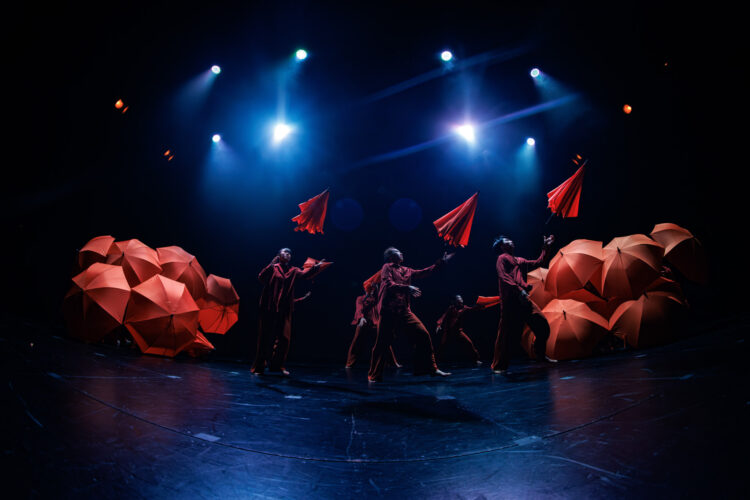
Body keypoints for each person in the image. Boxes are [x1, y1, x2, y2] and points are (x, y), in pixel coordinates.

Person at [368, 247, 453, 382]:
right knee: (382, 343)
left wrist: (440, 263)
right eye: (397, 251)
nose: (401, 252)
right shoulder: (387, 267)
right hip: (389, 310)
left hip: (404, 310)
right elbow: (388, 284)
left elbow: (424, 272)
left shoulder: (407, 270)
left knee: (423, 334)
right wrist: (407, 288)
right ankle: (374, 375)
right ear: (390, 256)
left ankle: (431, 368)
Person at [251, 248, 325, 376]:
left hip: (284, 308)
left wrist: (316, 267)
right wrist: (270, 264)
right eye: (285, 252)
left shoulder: (293, 270)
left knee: (284, 339)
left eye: (290, 253)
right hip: (269, 306)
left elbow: (305, 274)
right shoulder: (273, 268)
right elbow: (261, 278)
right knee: (265, 338)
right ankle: (259, 367)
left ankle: (277, 366)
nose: (288, 254)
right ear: (279, 255)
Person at [492, 234, 556, 374]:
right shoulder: (501, 258)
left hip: (523, 298)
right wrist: (519, 290)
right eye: (507, 240)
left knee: (542, 324)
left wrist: (545, 248)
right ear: (502, 246)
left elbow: (538, 263)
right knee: (506, 334)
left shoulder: (519, 260)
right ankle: (499, 366)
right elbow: (503, 276)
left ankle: (540, 355)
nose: (511, 240)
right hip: (511, 300)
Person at [345, 283, 401, 368]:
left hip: (375, 323)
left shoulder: (379, 299)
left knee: (384, 342)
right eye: (370, 289)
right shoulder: (360, 298)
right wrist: (361, 318)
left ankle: (392, 362)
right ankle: (349, 363)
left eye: (374, 289)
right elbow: (359, 309)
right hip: (364, 323)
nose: (372, 291)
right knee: (356, 343)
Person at [436, 295, 482, 366]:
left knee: (469, 343)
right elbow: (443, 316)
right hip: (448, 332)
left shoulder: (464, 308)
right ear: (455, 301)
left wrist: (480, 305)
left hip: (458, 332)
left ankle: (476, 359)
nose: (461, 299)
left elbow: (472, 309)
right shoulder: (451, 308)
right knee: (441, 347)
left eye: (461, 298)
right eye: (458, 298)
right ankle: (435, 361)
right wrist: (439, 325)